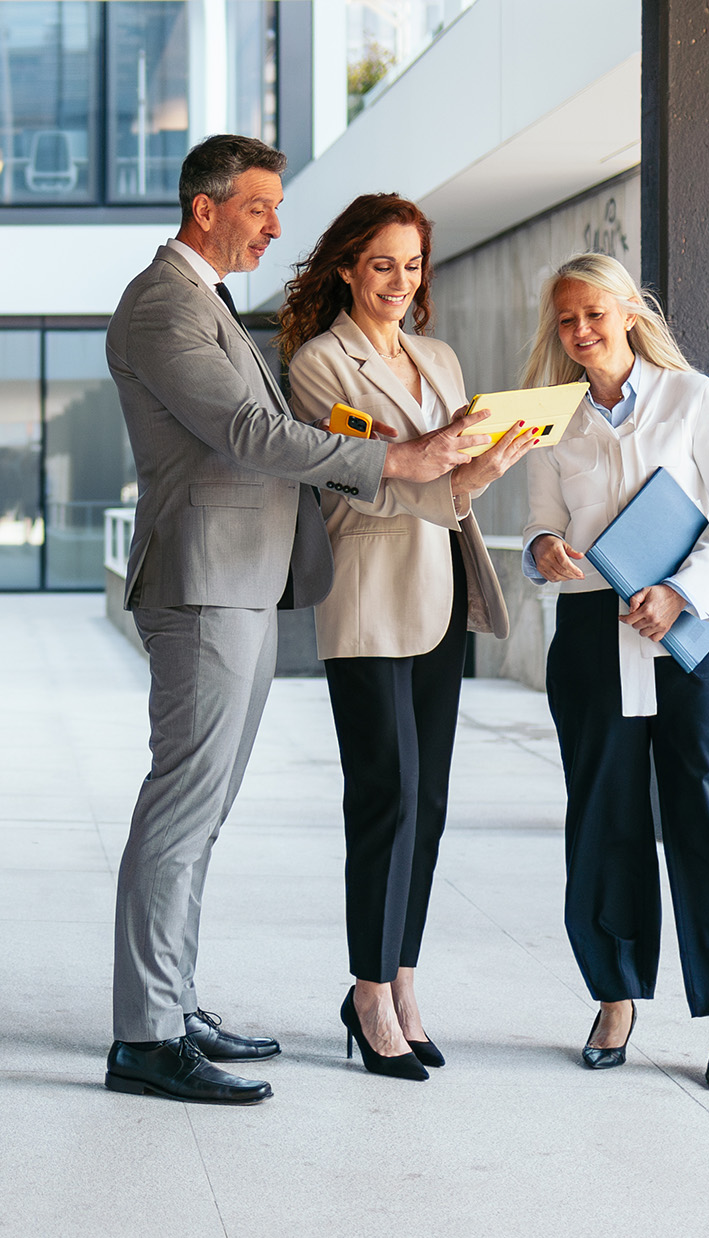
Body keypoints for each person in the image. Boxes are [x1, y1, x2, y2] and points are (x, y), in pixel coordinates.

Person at [104, 138, 493, 1106]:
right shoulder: (163, 303)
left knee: (203, 812)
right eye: (260, 207)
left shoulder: (204, 305)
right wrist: (396, 462)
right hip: (203, 581)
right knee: (182, 809)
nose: (275, 226)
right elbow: (248, 433)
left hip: (236, 579)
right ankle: (146, 1036)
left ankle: (171, 1002)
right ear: (207, 209)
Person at [282, 193, 535, 1080]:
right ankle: (364, 993)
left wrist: (487, 464)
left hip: (444, 590)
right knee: (383, 798)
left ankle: (404, 982)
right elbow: (364, 484)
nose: (400, 281)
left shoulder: (438, 354)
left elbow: (445, 475)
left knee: (427, 805)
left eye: (413, 264)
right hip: (369, 596)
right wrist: (448, 466)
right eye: (382, 263)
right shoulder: (319, 365)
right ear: (349, 266)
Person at [522, 252, 709, 1089]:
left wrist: (682, 592)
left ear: (629, 310)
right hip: (594, 635)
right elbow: (543, 532)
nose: (580, 332)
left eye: (594, 314)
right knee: (604, 819)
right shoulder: (554, 423)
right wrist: (544, 551)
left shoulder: (690, 397)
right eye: (566, 320)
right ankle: (616, 997)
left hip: (694, 636)